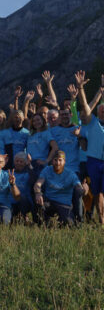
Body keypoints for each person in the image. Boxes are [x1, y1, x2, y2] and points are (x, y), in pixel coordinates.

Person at [75, 71, 104, 223]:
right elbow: (86, 106)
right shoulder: (91, 123)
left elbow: (91, 105)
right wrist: (80, 89)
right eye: (100, 108)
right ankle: (97, 218)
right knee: (95, 191)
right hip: (90, 161)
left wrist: (102, 89)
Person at [34, 150, 89, 226]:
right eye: (55, 160)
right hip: (49, 202)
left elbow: (79, 189)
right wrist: (38, 193)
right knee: (39, 203)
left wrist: (85, 190)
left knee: (69, 224)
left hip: (64, 204)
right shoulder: (47, 170)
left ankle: (69, 220)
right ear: (52, 161)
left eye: (60, 160)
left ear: (64, 161)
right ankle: (44, 222)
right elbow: (38, 184)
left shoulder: (70, 174)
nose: (57, 163)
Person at [26, 113, 58, 179]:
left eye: (38, 120)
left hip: (39, 164)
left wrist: (46, 161)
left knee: (39, 186)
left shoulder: (46, 133)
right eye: (34, 121)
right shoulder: (30, 135)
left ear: (43, 121)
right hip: (29, 163)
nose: (36, 122)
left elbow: (55, 147)